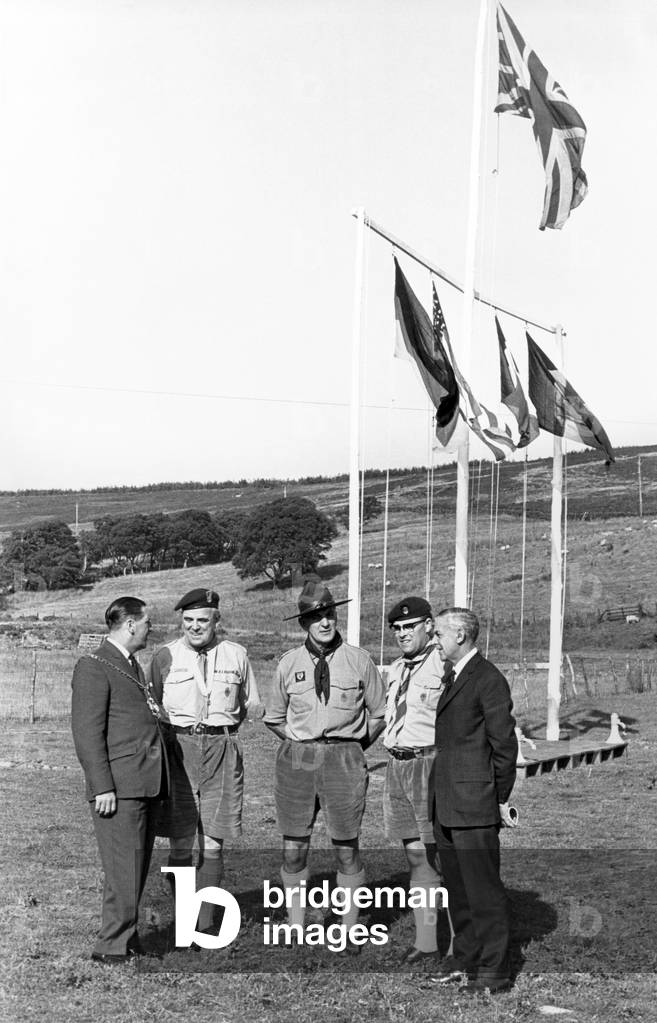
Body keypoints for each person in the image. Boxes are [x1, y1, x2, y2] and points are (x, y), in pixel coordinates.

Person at [264, 579, 386, 946]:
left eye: (330, 614)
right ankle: (296, 925)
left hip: (344, 758)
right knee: (294, 847)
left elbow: (379, 714)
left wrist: (354, 746)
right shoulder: (288, 663)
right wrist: (300, 741)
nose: (325, 622)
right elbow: (274, 717)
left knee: (346, 847)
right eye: (316, 617)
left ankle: (349, 929)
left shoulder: (359, 660)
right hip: (298, 760)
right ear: (304, 622)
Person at [147, 587, 259, 934]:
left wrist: (220, 731)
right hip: (178, 750)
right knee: (181, 839)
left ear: (216, 620)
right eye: (188, 620)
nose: (194, 627)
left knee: (213, 840)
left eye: (202, 620)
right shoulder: (164, 656)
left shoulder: (237, 655)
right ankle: (185, 920)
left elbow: (248, 705)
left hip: (222, 748)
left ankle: (205, 924)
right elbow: (152, 706)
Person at [71, 596, 167, 964]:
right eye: (147, 623)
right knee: (123, 866)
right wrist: (103, 787)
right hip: (119, 787)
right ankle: (111, 945)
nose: (150, 629)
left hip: (143, 782)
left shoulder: (130, 664)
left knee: (135, 865)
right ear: (130, 624)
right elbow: (87, 733)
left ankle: (127, 937)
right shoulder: (95, 665)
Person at [427, 607, 518, 994]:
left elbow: (504, 747)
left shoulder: (488, 679)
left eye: (439, 634)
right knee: (458, 892)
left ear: (461, 635)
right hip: (447, 805)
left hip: (474, 806)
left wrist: (495, 799)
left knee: (483, 893)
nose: (435, 640)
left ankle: (494, 972)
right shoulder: (454, 676)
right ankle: (464, 960)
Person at [383, 595, 454, 964]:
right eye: (396, 628)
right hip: (398, 766)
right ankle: (426, 942)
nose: (402, 633)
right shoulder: (397, 668)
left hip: (430, 765)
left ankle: (458, 942)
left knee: (444, 857)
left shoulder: (445, 663)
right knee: (415, 856)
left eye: (409, 626)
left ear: (429, 625)